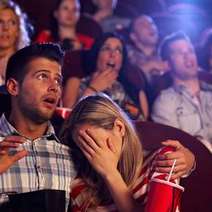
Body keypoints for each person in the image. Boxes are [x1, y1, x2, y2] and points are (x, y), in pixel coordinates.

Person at [59, 94, 195, 211]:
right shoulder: (80, 188)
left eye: (94, 144)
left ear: (119, 128)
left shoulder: (161, 162)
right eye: (83, 147)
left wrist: (111, 174)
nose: (93, 156)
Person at [0, 43, 76, 209]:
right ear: (13, 87)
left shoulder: (73, 151)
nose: (54, 87)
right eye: (42, 76)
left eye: (58, 79)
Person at [62, 32, 149, 120]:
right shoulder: (76, 81)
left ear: (122, 60)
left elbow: (144, 126)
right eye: (106, 48)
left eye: (118, 50)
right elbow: (69, 118)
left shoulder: (135, 90)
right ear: (96, 55)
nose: (112, 54)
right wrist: (92, 89)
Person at [152, 31, 212, 150]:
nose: (188, 56)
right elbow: (175, 150)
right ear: (168, 64)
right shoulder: (165, 103)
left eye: (190, 51)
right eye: (180, 53)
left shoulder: (210, 92)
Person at [127, 15, 168, 83]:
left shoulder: (166, 53)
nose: (150, 27)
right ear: (133, 36)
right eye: (143, 24)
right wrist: (150, 65)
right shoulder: (126, 55)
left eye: (152, 23)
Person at [0, 0, 31, 86]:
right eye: (0, 22)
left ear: (18, 30)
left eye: (12, 23)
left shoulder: (28, 64)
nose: (5, 28)